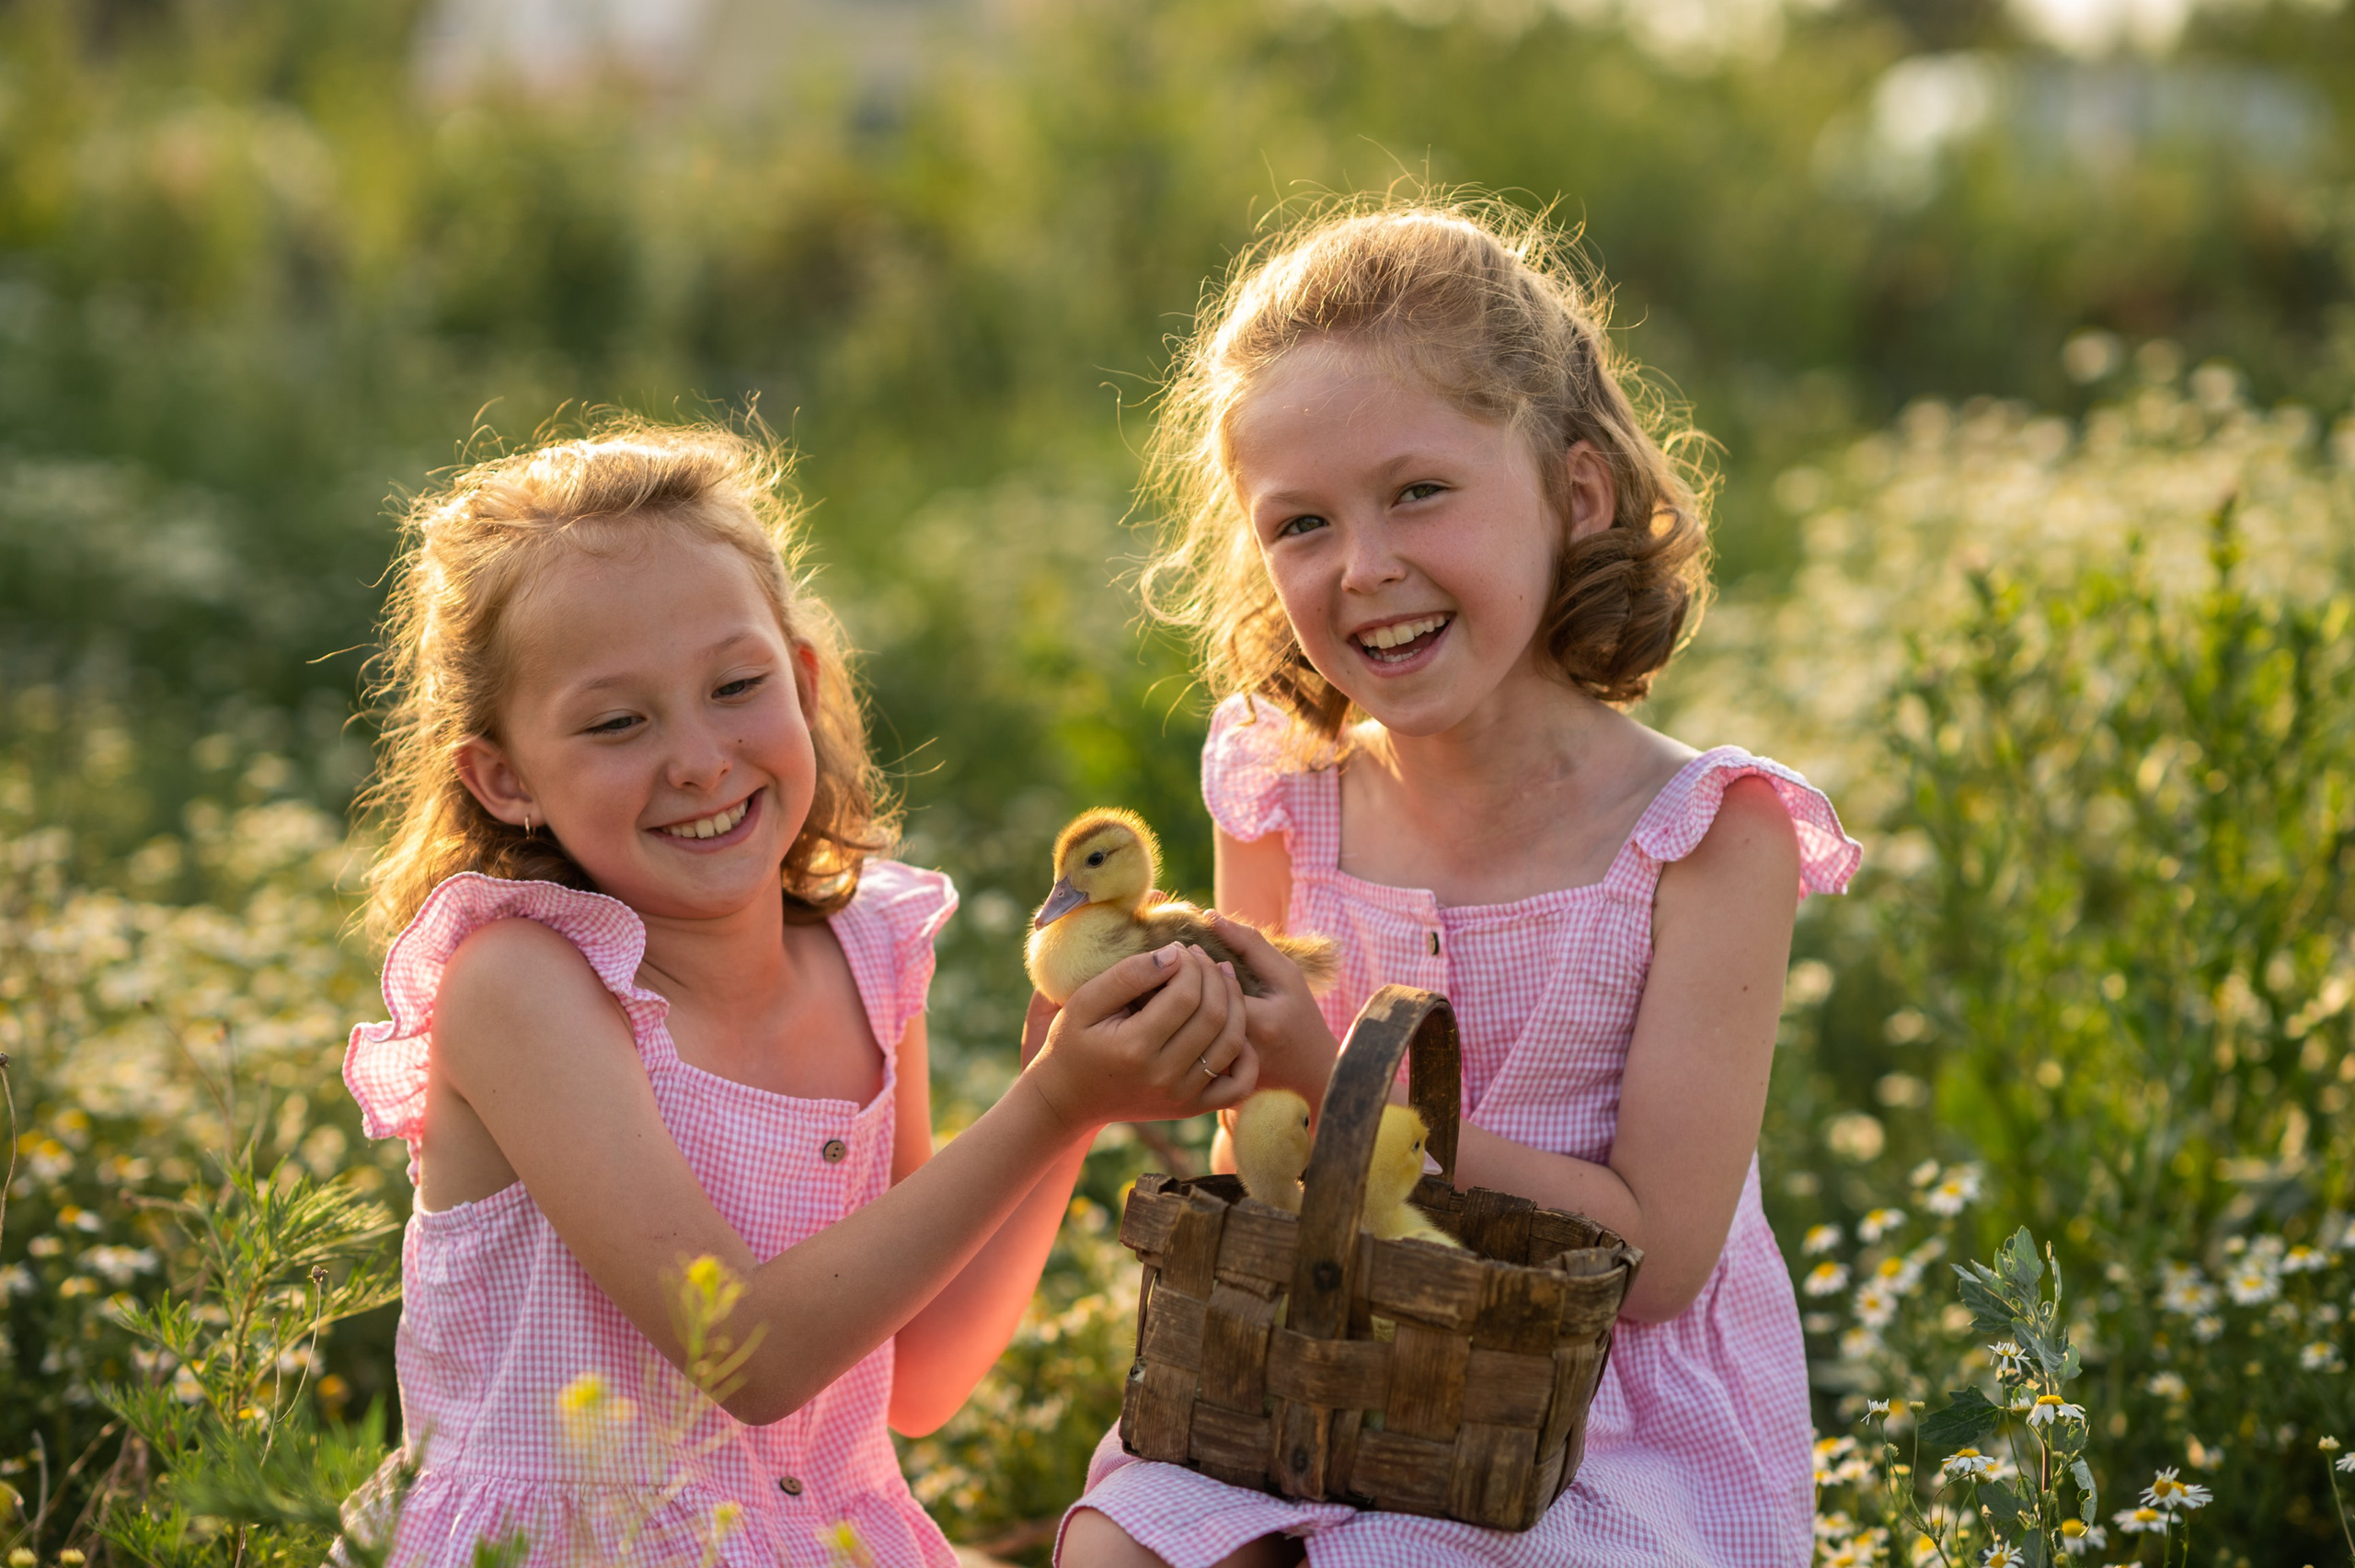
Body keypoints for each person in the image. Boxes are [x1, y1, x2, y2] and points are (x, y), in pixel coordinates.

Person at [1059, 202, 1861, 1568]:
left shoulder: (1706, 836)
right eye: (1301, 523)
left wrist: (1333, 1086)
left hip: (1592, 1425)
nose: (1364, 567)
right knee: (1122, 1543)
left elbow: (1659, 1265)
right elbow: (1247, 1170)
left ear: (1577, 492)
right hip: (1322, 1359)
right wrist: (1160, 1052)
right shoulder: (1281, 785)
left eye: (1418, 491)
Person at [341, 419, 1259, 1567]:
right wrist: (1052, 1102)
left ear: (803, 678)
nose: (699, 759)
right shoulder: (524, 984)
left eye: (736, 685)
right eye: (618, 720)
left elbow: (917, 1379)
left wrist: (1062, 1092)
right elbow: (749, 1359)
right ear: (505, 776)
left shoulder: (869, 956)